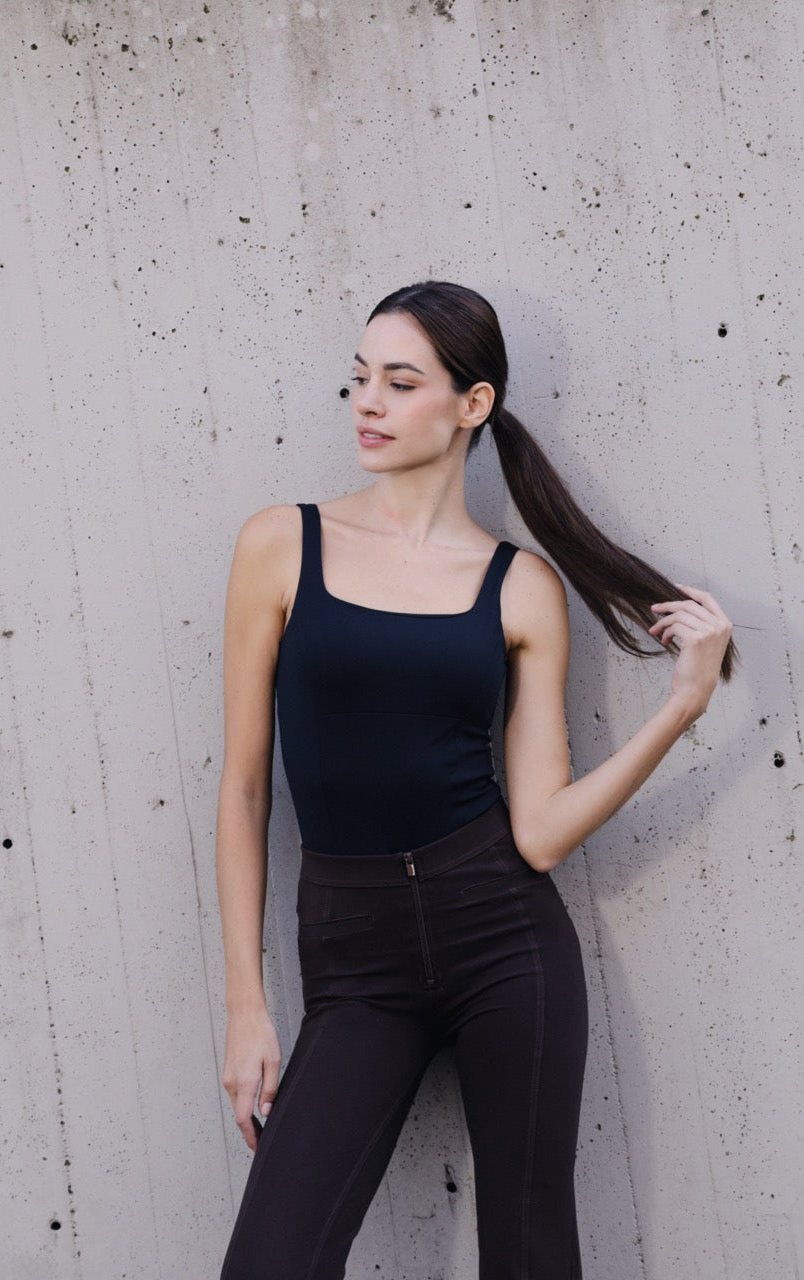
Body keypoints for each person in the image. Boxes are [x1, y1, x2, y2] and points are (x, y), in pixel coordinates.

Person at [215, 281, 736, 1280]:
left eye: (400, 381)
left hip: (501, 939)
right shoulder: (281, 544)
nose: (368, 402)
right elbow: (243, 791)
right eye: (359, 378)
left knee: (530, 1257)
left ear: (472, 403)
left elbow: (539, 831)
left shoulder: (521, 586)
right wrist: (246, 1005)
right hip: (352, 960)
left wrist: (681, 707)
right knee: (272, 1260)